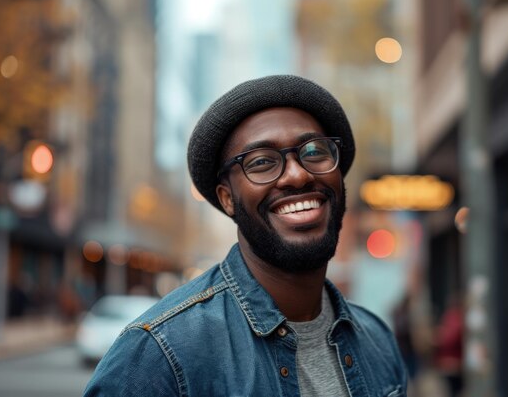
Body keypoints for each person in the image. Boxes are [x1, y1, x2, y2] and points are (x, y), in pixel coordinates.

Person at [83, 75, 407, 396]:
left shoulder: (377, 339)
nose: (297, 174)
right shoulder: (159, 354)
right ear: (227, 199)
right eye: (262, 161)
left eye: (313, 151)